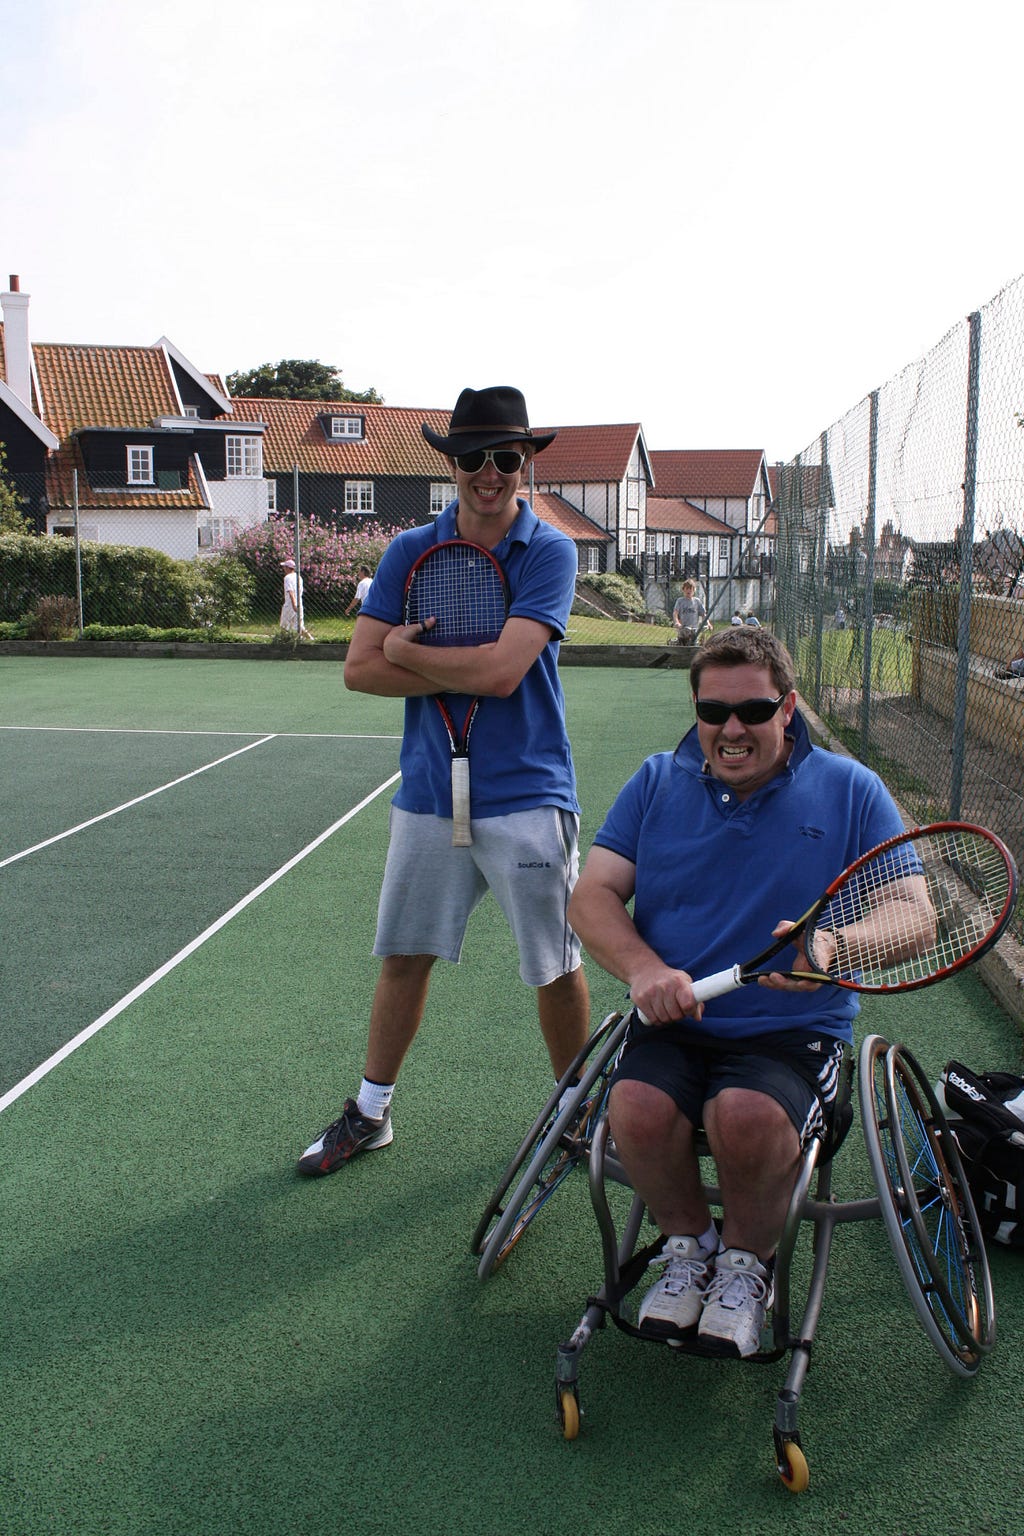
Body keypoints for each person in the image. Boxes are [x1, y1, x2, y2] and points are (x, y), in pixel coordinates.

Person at [567, 628, 927, 1356]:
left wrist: (832, 946)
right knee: (632, 1109)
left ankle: (746, 1266)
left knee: (745, 1116)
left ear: (788, 708)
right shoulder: (655, 780)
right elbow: (592, 896)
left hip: (792, 1032)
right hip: (677, 1019)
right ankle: (690, 1247)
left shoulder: (852, 789)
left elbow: (915, 913)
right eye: (713, 710)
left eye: (754, 711)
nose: (732, 729)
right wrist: (643, 971)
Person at [298, 385, 591, 1175]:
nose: (488, 473)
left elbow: (502, 673)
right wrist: (394, 656)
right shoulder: (408, 550)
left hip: (529, 792)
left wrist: (410, 652)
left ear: (525, 463)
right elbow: (359, 671)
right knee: (403, 955)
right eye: (472, 458)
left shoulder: (552, 551)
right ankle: (370, 1111)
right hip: (430, 791)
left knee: (556, 965)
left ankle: (580, 1112)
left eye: (504, 457)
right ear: (451, 465)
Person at [280, 558, 313, 640]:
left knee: (284, 626)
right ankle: (311, 640)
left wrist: (294, 604)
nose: (284, 569)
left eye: (285, 567)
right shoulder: (299, 577)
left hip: (290, 604)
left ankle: (283, 642)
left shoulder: (287, 578)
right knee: (300, 626)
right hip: (299, 603)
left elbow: (291, 592)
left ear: (288, 568)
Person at [672, 580, 707, 645]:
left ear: (694, 590)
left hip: (694, 629)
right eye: (687, 589)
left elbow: (703, 614)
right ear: (683, 590)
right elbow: (675, 613)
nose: (689, 591)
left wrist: (707, 623)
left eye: (691, 589)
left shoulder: (697, 601)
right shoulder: (680, 601)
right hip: (683, 628)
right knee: (682, 644)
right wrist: (677, 622)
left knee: (693, 644)